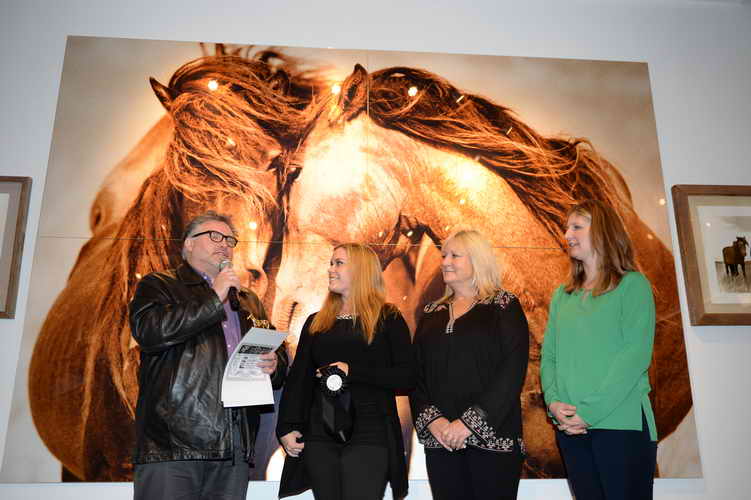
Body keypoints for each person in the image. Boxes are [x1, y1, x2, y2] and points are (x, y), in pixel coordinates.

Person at [128, 211, 287, 500]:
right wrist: (214, 296)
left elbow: (277, 355)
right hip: (174, 443)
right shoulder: (159, 284)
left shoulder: (248, 300)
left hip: (235, 445)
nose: (224, 244)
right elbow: (149, 332)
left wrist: (274, 364)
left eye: (230, 239)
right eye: (215, 236)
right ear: (188, 243)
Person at [276, 243, 415, 500]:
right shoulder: (316, 322)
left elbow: (407, 376)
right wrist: (287, 426)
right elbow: (299, 380)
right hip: (320, 434)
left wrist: (353, 371)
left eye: (339, 263)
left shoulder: (389, 318)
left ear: (361, 270)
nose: (331, 269)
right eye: (331, 263)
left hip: (371, 433)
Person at [540, 199, 658, 500]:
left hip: (623, 426)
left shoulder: (633, 286)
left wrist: (589, 413)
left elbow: (634, 357)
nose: (567, 234)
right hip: (572, 430)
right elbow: (549, 356)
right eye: (567, 227)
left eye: (577, 226)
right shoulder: (562, 295)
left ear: (603, 232)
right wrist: (554, 404)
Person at [410, 229, 529, 500]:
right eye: (443, 255)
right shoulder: (431, 313)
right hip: (441, 442)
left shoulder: (503, 306)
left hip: (494, 444)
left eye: (455, 255)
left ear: (477, 259)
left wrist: (468, 424)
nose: (445, 262)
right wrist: (434, 422)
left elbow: (512, 372)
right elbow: (416, 376)